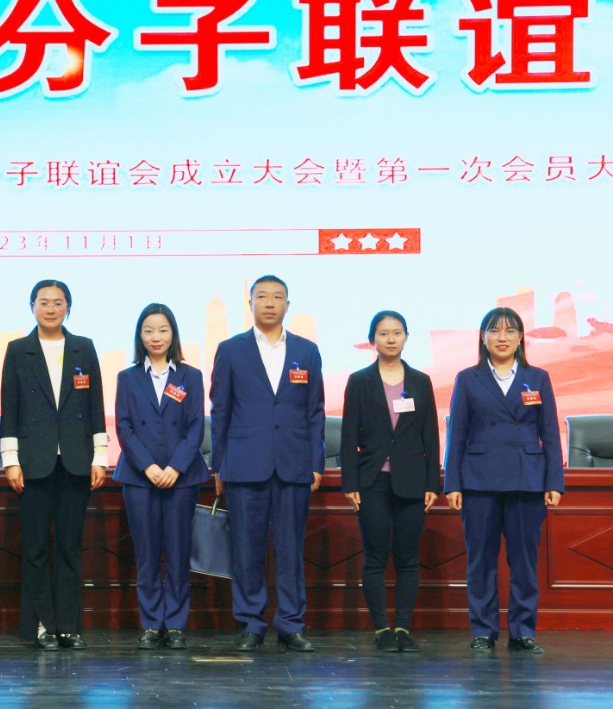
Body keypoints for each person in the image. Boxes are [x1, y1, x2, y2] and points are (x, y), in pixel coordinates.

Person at [210, 275, 324, 653]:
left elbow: (315, 412)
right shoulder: (231, 350)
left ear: (288, 305)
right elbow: (220, 411)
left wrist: (316, 461)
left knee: (291, 550)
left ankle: (291, 624)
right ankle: (251, 623)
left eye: (277, 297)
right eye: (262, 296)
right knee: (246, 550)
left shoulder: (307, 351)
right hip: (244, 465)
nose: (270, 303)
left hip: (293, 464)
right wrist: (219, 466)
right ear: (251, 304)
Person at [444, 306, 563, 654]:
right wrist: (453, 483)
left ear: (521, 337)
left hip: (527, 479)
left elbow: (550, 433)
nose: (502, 337)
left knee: (524, 561)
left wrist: (554, 481)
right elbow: (457, 434)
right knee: (481, 560)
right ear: (482, 337)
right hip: (479, 480)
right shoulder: (468, 378)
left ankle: (523, 632)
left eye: (510, 330)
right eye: (494, 330)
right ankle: (483, 631)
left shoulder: (537, 377)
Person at [0, 279, 108, 650]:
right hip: (32, 463)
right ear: (32, 307)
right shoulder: (18, 350)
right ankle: (42, 625)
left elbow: (95, 404)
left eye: (58, 302)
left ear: (68, 308)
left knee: (69, 547)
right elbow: (9, 407)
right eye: (43, 302)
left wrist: (100, 455)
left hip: (76, 461)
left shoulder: (84, 347)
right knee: (35, 549)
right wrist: (10, 460)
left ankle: (69, 626)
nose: (50, 308)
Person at [340, 310, 440, 652]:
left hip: (413, 482)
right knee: (375, 557)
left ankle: (403, 629)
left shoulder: (421, 381)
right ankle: (382, 628)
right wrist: (350, 483)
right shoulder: (359, 381)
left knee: (408, 558)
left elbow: (430, 436)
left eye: (397, 332)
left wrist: (433, 484)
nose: (391, 339)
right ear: (373, 340)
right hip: (371, 482)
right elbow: (348, 435)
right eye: (383, 333)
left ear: (406, 337)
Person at [113, 303, 208, 650]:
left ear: (173, 334)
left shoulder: (190, 376)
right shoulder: (127, 378)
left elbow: (196, 427)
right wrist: (149, 467)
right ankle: (153, 624)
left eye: (163, 330)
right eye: (149, 330)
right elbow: (124, 426)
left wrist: (175, 467)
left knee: (179, 552)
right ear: (140, 335)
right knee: (147, 554)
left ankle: (177, 625)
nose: (156, 337)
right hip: (140, 477)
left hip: (181, 477)